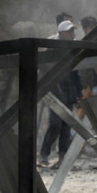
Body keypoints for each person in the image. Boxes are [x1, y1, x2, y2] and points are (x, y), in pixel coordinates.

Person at [39, 19, 82, 168]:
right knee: (55, 124)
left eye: (73, 31)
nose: (72, 34)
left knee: (66, 126)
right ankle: (44, 155)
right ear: (62, 33)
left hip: (69, 90)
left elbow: (76, 72)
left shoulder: (74, 46)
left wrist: (78, 94)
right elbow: (43, 67)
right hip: (55, 89)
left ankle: (62, 158)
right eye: (69, 31)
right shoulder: (52, 45)